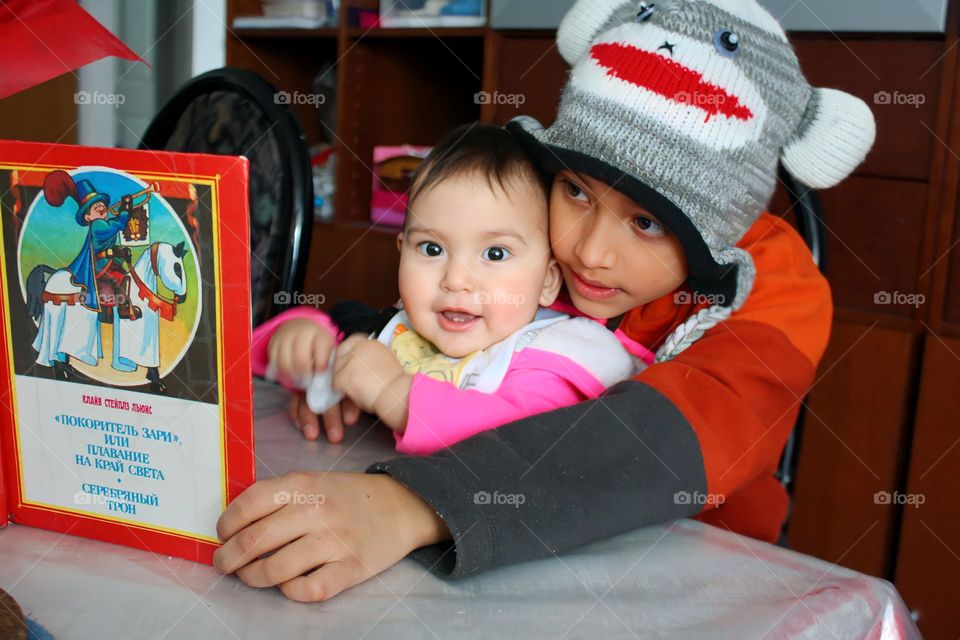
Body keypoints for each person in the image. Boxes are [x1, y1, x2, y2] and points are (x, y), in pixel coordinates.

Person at [213, 0, 875, 602]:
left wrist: (411, 504)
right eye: (578, 192)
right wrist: (341, 363)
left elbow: (659, 444)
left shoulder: (778, 290)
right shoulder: (537, 203)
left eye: (647, 222)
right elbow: (417, 316)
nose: (589, 252)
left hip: (688, 567)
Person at [249, 123, 644, 456]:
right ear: (402, 252)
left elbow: (517, 440)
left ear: (547, 281)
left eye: (494, 253)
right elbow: (298, 348)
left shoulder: (555, 356)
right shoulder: (404, 327)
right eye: (432, 249)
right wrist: (296, 340)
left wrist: (395, 393)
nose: (456, 280)